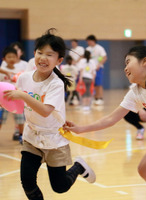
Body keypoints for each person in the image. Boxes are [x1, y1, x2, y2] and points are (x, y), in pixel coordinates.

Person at [63, 45, 146, 200]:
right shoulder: (135, 93)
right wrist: (81, 129)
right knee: (145, 169)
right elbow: (110, 119)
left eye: (128, 62)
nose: (125, 68)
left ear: (144, 61)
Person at [3, 28, 96, 200]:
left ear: (59, 60)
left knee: (60, 187)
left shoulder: (56, 84)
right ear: (34, 54)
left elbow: (45, 111)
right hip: (32, 137)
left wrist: (22, 95)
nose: (43, 58)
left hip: (54, 140)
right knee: (27, 181)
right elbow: (16, 103)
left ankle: (78, 167)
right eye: (40, 52)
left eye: (49, 54)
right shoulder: (24, 78)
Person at [0, 46, 25, 143]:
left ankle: (21, 136)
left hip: (16, 98)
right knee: (0, 119)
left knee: (20, 119)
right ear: (4, 59)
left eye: (13, 57)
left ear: (17, 57)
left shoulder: (20, 70)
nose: (11, 59)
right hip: (3, 99)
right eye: (9, 57)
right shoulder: (2, 69)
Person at [86, 35, 107, 105]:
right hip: (90, 69)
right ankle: (96, 98)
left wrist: (99, 64)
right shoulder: (88, 49)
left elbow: (104, 57)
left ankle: (100, 98)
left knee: (99, 84)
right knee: (93, 84)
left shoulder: (99, 48)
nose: (88, 42)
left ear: (93, 41)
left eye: (89, 41)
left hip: (98, 68)